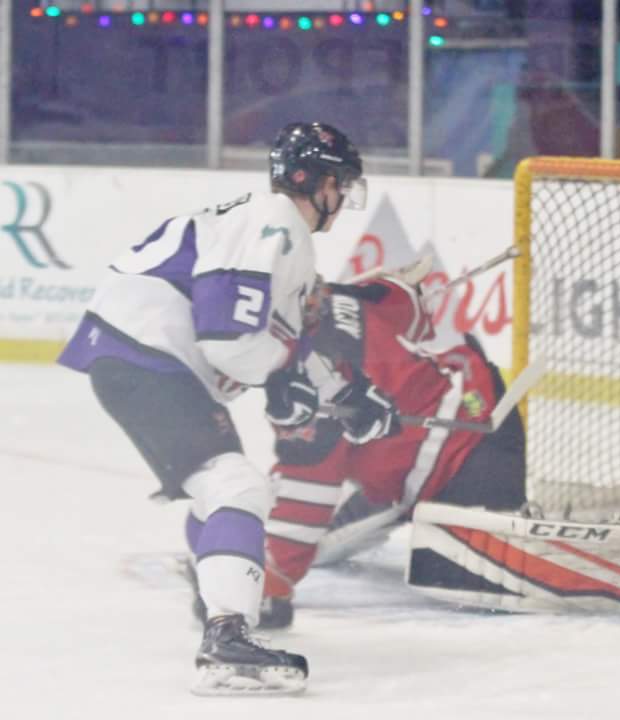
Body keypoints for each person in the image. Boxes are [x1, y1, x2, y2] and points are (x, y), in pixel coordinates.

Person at [56, 122, 378, 696]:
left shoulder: (273, 235)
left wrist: (346, 397)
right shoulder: (275, 220)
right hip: (148, 356)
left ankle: (218, 586)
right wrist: (284, 384)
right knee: (238, 488)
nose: (342, 197)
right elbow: (229, 338)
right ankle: (227, 636)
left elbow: (282, 346)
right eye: (339, 182)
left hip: (142, 358)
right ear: (311, 179)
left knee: (223, 489)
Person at [255, 269, 527, 628]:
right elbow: (405, 304)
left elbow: (309, 481)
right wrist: (405, 285)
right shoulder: (342, 297)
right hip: (477, 396)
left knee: (473, 571)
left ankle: (510, 523)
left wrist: (272, 581)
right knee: (308, 533)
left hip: (466, 452)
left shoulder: (307, 378)